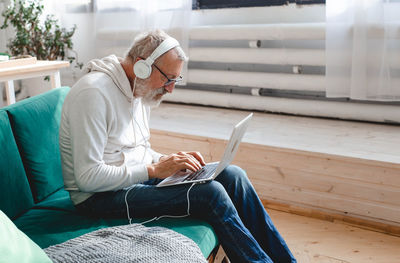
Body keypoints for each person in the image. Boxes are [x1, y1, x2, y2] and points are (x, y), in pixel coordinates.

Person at [59, 29, 296, 263]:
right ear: (142, 65)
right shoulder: (93, 94)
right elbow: (87, 178)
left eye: (175, 79)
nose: (171, 88)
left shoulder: (138, 90)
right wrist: (153, 170)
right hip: (99, 198)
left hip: (131, 181)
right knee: (210, 194)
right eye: (167, 78)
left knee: (233, 175)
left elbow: (137, 151)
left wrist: (169, 162)